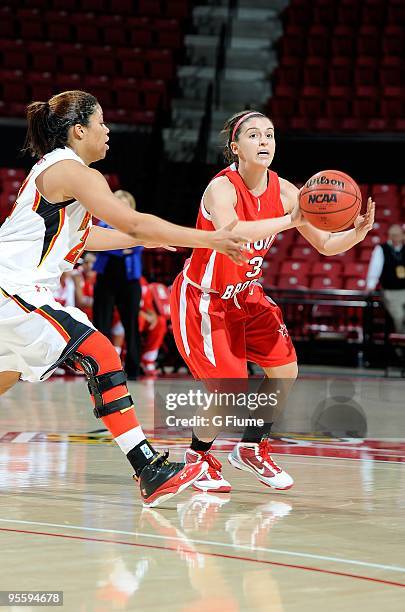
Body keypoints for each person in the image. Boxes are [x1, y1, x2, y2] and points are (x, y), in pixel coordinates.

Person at [0, 90, 250, 508]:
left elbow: (84, 237)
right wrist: (210, 239)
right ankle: (147, 466)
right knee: (100, 352)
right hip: (12, 286)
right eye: (101, 122)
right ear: (79, 131)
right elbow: (133, 222)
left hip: (13, 287)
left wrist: (149, 242)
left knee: (5, 375)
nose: (108, 130)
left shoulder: (61, 172)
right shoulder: (75, 171)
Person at [170, 110, 375, 494]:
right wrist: (290, 220)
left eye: (270, 134)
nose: (265, 141)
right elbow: (233, 231)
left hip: (247, 297)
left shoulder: (286, 191)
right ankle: (198, 456)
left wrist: (356, 234)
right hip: (205, 299)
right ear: (236, 147)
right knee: (228, 390)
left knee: (285, 370)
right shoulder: (222, 188)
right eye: (254, 135)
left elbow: (327, 245)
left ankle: (250, 447)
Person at [92, 190, 143, 379]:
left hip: (129, 281)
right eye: (117, 203)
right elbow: (102, 245)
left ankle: (133, 369)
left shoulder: (137, 225)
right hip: (106, 279)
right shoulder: (103, 224)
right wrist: (123, 247)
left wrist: (113, 245)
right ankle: (101, 369)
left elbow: (136, 247)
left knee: (131, 324)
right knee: (101, 324)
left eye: (124, 204)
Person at [366, 224, 405, 332]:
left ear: (403, 236)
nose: (395, 237)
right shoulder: (381, 249)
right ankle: (400, 344)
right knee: (399, 316)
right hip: (390, 291)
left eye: (397, 234)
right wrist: (370, 285)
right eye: (392, 235)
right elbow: (375, 268)